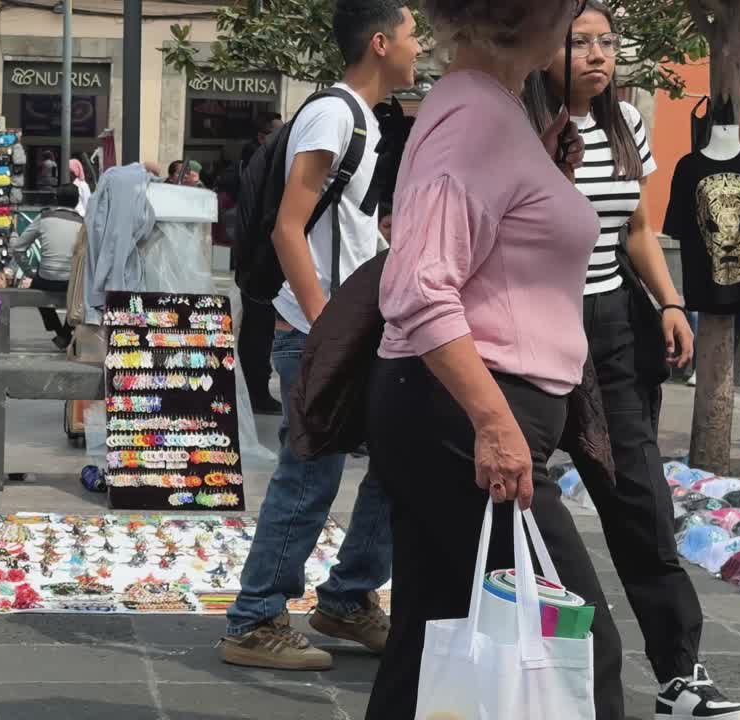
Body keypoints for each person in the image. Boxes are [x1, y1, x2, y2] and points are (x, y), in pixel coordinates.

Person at [369, 1, 630, 718]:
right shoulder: (477, 118)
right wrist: (493, 422)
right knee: (574, 641)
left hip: (458, 407)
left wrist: (541, 166)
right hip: (471, 409)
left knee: (427, 643)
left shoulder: (490, 111)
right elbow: (418, 284)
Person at [524, 5, 740, 718]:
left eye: (607, 41)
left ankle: (681, 675)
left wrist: (670, 301)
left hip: (612, 333)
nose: (598, 54)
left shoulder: (624, 123)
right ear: (545, 48)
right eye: (580, 42)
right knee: (519, 506)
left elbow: (637, 228)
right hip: (531, 330)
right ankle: (533, 664)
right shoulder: (519, 127)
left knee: (642, 504)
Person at [218, 0, 420, 672]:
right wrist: (327, 325)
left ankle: (348, 597)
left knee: (396, 462)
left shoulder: (365, 118)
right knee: (309, 477)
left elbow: (349, 232)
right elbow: (288, 227)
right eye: (414, 33)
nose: (422, 46)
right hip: (315, 332)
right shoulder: (334, 114)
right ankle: (254, 620)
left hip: (351, 330)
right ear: (381, 42)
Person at [12, 183, 83, 350]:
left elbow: (18, 248)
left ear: (56, 199)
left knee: (36, 286)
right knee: (82, 291)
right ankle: (65, 332)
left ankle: (59, 331)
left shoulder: (44, 218)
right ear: (77, 201)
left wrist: (29, 272)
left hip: (46, 280)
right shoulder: (83, 223)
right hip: (71, 283)